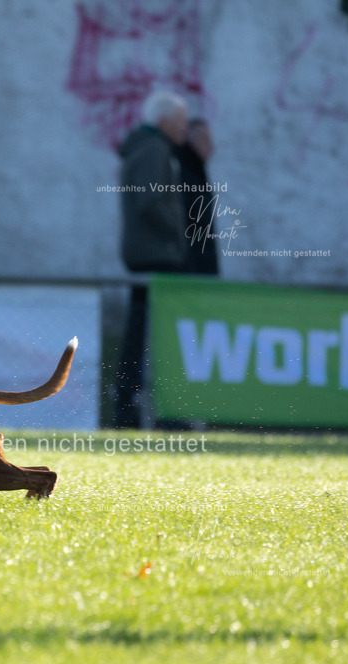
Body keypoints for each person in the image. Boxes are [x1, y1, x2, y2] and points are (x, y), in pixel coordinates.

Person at [113, 90, 189, 429]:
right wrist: (178, 231)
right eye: (181, 121)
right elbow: (149, 201)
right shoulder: (154, 150)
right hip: (155, 257)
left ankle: (130, 410)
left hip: (144, 255)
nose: (184, 129)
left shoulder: (143, 148)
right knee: (153, 338)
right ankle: (145, 413)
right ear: (164, 121)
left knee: (140, 336)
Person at [176, 118, 219, 275]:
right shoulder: (184, 174)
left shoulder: (194, 172)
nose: (211, 148)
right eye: (205, 140)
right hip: (192, 271)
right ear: (191, 141)